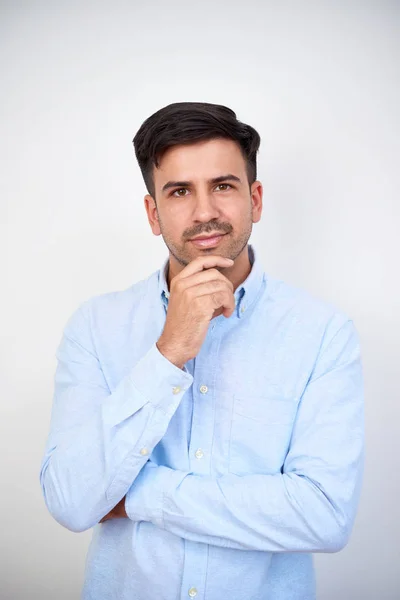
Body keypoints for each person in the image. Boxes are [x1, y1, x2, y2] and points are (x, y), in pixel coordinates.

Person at [39, 102, 364, 600]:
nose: (205, 211)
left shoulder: (323, 333)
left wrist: (134, 495)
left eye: (224, 186)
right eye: (179, 191)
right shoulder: (95, 327)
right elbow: (69, 500)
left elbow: (324, 516)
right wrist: (168, 352)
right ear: (154, 213)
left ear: (255, 199)